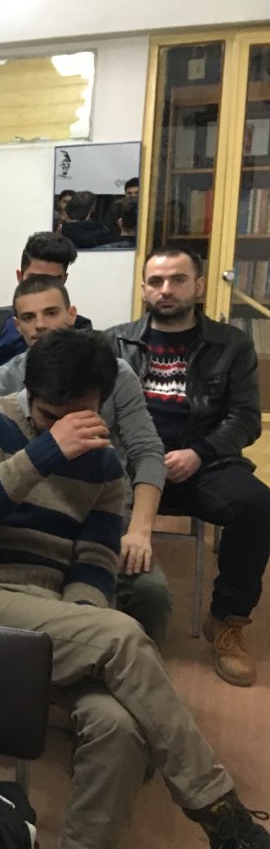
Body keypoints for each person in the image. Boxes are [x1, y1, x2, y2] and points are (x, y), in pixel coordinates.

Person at [0, 328, 270, 849]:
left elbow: (92, 566)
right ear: (29, 393)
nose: (64, 428)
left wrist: (84, 621)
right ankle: (222, 813)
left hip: (50, 617)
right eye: (49, 416)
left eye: (78, 415)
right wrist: (46, 451)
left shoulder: (107, 467)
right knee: (122, 635)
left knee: (118, 724)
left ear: (101, 402)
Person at [108, 247, 270, 687]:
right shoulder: (114, 341)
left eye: (177, 280)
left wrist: (199, 452)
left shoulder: (231, 344)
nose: (166, 289)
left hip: (200, 464)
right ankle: (108, 612)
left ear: (198, 286)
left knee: (256, 504)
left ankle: (229, 620)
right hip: (130, 465)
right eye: (156, 281)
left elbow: (245, 418)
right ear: (144, 289)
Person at [0, 276, 172, 646]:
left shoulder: (115, 373)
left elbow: (148, 451)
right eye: (29, 317)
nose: (41, 325)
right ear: (17, 325)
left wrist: (140, 530)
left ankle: (129, 665)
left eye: (51, 313)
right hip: (27, 517)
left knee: (150, 592)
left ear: (71, 314)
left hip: (102, 513)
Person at [0, 231, 92, 409]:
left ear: (64, 280)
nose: (42, 289)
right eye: (34, 279)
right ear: (20, 277)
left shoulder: (80, 329)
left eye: (53, 281)